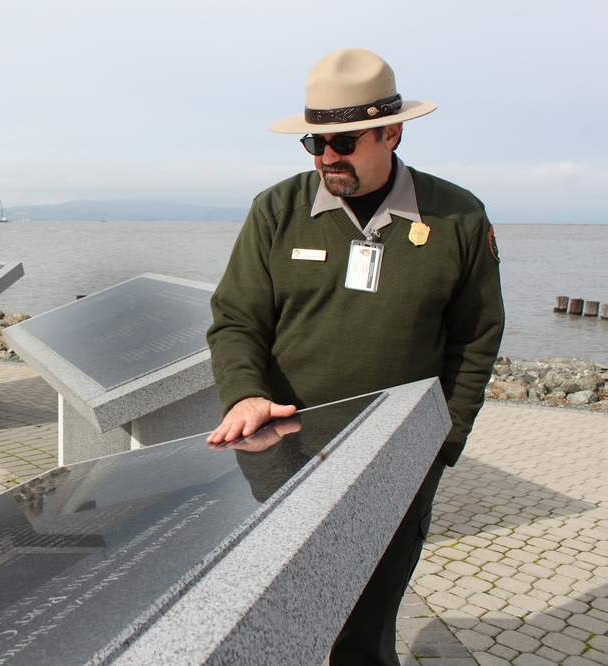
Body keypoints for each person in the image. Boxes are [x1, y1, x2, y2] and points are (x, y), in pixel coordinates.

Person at [205, 47, 504, 665]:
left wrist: (442, 442)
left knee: (364, 635)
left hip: (398, 461)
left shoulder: (457, 218)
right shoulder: (276, 211)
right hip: (283, 456)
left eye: (344, 142)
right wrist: (243, 393)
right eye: (315, 142)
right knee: (278, 619)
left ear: (392, 132)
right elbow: (236, 320)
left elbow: (476, 338)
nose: (326, 158)